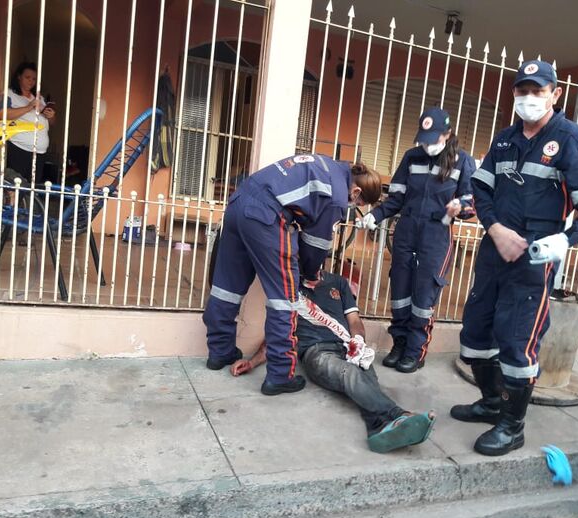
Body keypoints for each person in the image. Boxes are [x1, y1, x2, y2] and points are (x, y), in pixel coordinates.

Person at [452, 60, 578, 456]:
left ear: (555, 94)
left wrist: (566, 239)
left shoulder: (573, 140)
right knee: (476, 333)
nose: (529, 98)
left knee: (516, 340)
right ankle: (492, 403)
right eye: (522, 90)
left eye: (538, 90)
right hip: (494, 249)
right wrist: (494, 229)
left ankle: (512, 426)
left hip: (534, 259)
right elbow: (482, 190)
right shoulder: (506, 139)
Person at [203, 154, 382, 396]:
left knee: (227, 286)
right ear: (357, 191)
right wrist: (310, 274)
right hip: (267, 216)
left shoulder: (327, 165)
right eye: (358, 204)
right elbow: (316, 243)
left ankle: (219, 352)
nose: (353, 208)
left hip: (237, 204)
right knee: (284, 299)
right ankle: (279, 375)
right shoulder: (337, 195)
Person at [229, 270, 436, 453]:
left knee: (366, 377)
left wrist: (358, 341)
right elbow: (278, 334)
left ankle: (378, 430)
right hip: (317, 353)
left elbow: (354, 321)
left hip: (348, 347)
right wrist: (253, 361)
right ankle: (399, 415)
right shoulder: (291, 287)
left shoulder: (338, 282)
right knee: (351, 374)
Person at [358, 108, 477, 374]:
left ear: (447, 134)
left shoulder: (462, 161)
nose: (427, 145)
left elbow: (470, 201)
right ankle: (399, 344)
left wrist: (461, 207)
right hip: (407, 230)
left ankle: (415, 351)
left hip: (436, 234)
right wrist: (375, 215)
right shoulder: (412, 157)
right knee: (400, 290)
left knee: (424, 295)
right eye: (424, 139)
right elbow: (397, 197)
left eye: (433, 139)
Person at [0, 62, 56, 183]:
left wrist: (51, 116)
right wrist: (28, 107)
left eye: (34, 79)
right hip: (20, 149)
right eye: (27, 77)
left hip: (39, 152)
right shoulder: (9, 94)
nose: (31, 81)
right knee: (16, 187)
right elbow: (2, 114)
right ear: (19, 76)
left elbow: (51, 123)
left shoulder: (39, 98)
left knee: (31, 190)